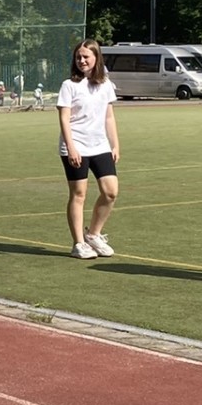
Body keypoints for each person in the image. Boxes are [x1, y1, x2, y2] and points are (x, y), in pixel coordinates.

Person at [56, 40, 120, 259]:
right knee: (79, 194)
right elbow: (64, 119)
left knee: (110, 192)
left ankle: (93, 234)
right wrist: (71, 148)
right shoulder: (69, 86)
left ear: (96, 58)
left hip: (100, 145)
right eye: (78, 57)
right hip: (76, 146)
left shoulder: (106, 85)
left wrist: (115, 144)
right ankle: (79, 243)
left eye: (86, 57)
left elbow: (109, 117)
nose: (81, 61)